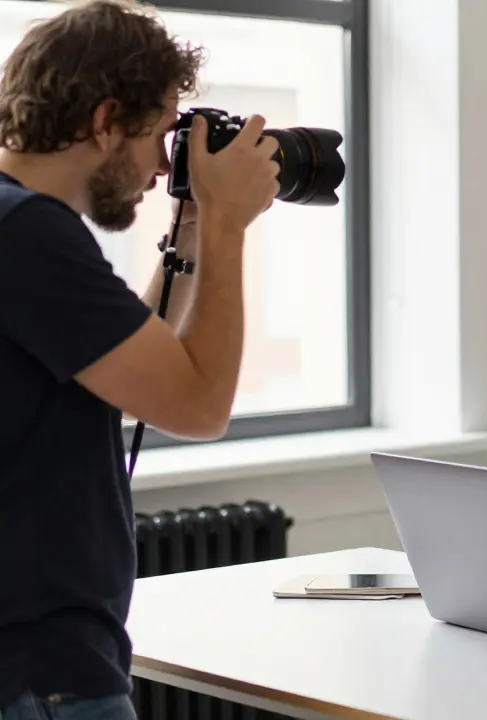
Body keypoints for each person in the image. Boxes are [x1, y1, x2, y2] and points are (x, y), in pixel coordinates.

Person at [0, 1, 280, 717]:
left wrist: (188, 226)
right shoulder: (30, 237)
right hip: (43, 672)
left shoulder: (16, 226)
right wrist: (227, 224)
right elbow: (197, 405)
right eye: (158, 134)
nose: (163, 164)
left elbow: (131, 380)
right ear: (103, 122)